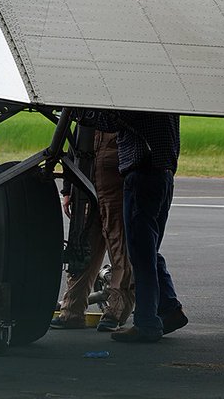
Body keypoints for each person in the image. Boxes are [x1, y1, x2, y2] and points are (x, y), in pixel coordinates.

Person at [83, 110, 186, 343]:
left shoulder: (139, 99)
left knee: (140, 254)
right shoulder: (167, 100)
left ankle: (146, 322)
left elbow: (109, 120)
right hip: (163, 174)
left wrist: (80, 111)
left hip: (142, 173)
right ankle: (169, 309)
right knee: (149, 250)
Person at [49, 126, 134, 332]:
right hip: (88, 191)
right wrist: (68, 190)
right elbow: (74, 152)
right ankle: (72, 311)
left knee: (120, 252)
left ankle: (115, 312)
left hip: (114, 192)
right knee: (83, 250)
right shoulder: (86, 120)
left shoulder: (120, 119)